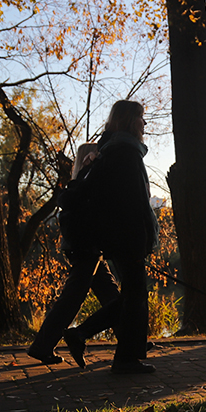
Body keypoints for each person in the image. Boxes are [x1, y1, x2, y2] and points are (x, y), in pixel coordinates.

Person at [75, 99, 159, 374]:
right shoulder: (125, 152)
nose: (144, 123)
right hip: (127, 235)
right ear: (128, 120)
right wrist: (144, 238)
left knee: (132, 294)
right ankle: (124, 360)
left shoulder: (112, 149)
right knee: (135, 294)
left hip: (118, 235)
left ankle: (82, 335)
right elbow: (134, 203)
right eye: (141, 117)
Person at [27, 144, 121, 367]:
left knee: (110, 293)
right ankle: (42, 346)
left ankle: (130, 338)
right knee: (72, 299)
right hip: (86, 247)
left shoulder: (77, 181)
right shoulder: (88, 179)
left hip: (82, 246)